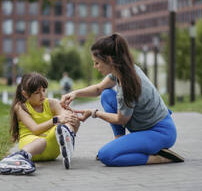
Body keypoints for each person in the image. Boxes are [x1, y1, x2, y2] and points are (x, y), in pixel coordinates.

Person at [60, 33, 184, 167]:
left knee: (106, 156)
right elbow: (99, 89)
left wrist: (93, 113)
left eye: (97, 63)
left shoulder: (128, 85)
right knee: (107, 94)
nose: (95, 66)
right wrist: (74, 94)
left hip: (160, 133)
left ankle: (160, 158)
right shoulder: (122, 70)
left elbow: (121, 120)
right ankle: (119, 141)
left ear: (109, 60)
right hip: (143, 128)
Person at [0, 72, 80, 175]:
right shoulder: (21, 107)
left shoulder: (52, 103)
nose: (43, 95)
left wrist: (74, 121)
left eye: (44, 90)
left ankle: (68, 141)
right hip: (31, 147)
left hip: (52, 151)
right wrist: (55, 120)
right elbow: (35, 129)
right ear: (25, 94)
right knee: (41, 141)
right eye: (37, 92)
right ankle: (19, 157)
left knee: (66, 123)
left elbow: (65, 116)